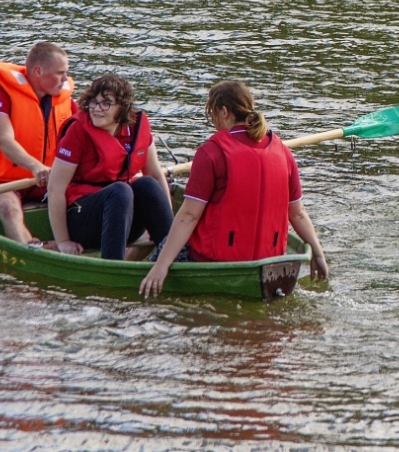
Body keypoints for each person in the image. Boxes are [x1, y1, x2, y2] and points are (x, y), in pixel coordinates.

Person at [140, 80, 329, 298]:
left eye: (213, 116)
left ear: (224, 111)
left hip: (217, 260)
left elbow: (189, 215)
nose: (215, 124)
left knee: (157, 255)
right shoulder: (283, 152)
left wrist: (161, 266)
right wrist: (317, 252)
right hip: (270, 263)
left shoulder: (212, 151)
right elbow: (298, 213)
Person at [0, 42, 76, 245]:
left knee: (88, 196)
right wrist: (35, 166)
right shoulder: (1, 94)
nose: (65, 79)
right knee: (9, 207)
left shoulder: (65, 100)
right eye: (60, 73)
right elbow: (5, 140)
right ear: (38, 71)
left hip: (42, 180)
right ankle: (32, 253)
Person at [46, 73, 173, 260]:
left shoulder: (137, 127)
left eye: (106, 103)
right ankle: (114, 265)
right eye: (93, 102)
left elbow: (155, 175)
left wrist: (166, 218)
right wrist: (63, 241)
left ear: (122, 108)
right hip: (83, 219)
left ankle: (173, 251)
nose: (97, 109)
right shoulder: (77, 131)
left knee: (147, 184)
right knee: (120, 191)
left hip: (123, 218)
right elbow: (55, 188)